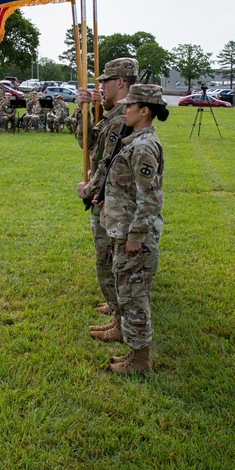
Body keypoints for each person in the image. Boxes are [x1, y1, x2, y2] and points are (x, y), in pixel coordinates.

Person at [96, 84, 167, 375]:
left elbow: (150, 198)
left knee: (135, 297)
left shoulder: (143, 146)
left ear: (144, 111)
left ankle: (139, 361)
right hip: (122, 230)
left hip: (134, 236)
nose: (123, 111)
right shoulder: (135, 141)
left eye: (129, 107)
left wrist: (136, 237)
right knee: (126, 292)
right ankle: (127, 338)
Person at [76, 57, 139, 339]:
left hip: (109, 200)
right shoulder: (115, 115)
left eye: (104, 81)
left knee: (107, 260)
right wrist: (83, 110)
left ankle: (119, 317)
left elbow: (108, 165)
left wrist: (89, 191)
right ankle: (116, 309)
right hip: (106, 198)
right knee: (107, 259)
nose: (100, 86)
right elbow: (87, 143)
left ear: (120, 82)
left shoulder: (123, 119)